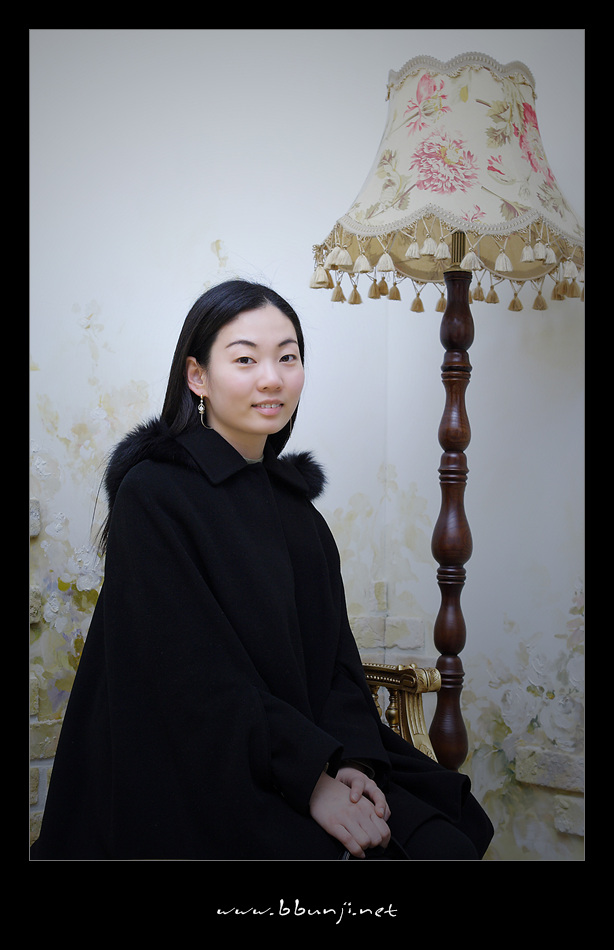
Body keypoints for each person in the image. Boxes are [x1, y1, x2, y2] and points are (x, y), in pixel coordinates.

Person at [31, 279, 493, 861]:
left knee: (444, 841)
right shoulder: (153, 495)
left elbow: (337, 664)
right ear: (197, 376)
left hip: (310, 751)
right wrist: (313, 783)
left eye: (288, 357)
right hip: (201, 766)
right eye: (245, 359)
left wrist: (352, 763)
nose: (272, 379)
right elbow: (190, 680)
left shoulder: (298, 511)